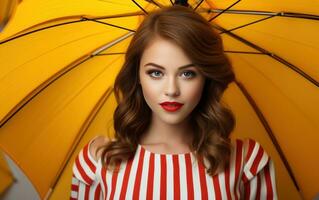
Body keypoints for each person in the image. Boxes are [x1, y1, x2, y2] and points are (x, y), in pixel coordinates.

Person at [70, 5, 277, 200]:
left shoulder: (248, 162)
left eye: (187, 73)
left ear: (207, 78)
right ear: (137, 76)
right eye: (156, 73)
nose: (171, 90)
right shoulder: (97, 161)